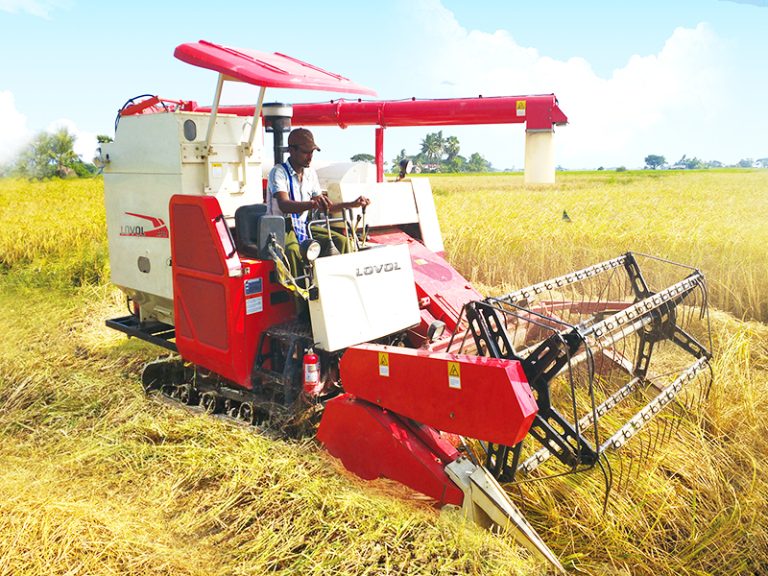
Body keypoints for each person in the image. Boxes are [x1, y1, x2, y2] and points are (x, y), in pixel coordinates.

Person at [266, 128, 370, 287]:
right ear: (292, 151)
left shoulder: (310, 174)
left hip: (303, 225)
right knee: (292, 251)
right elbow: (284, 205)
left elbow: (323, 206)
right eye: (306, 152)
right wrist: (312, 204)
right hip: (281, 227)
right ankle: (302, 304)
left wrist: (352, 204)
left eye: (312, 152)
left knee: (341, 241)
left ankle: (338, 289)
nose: (310, 157)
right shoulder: (278, 172)